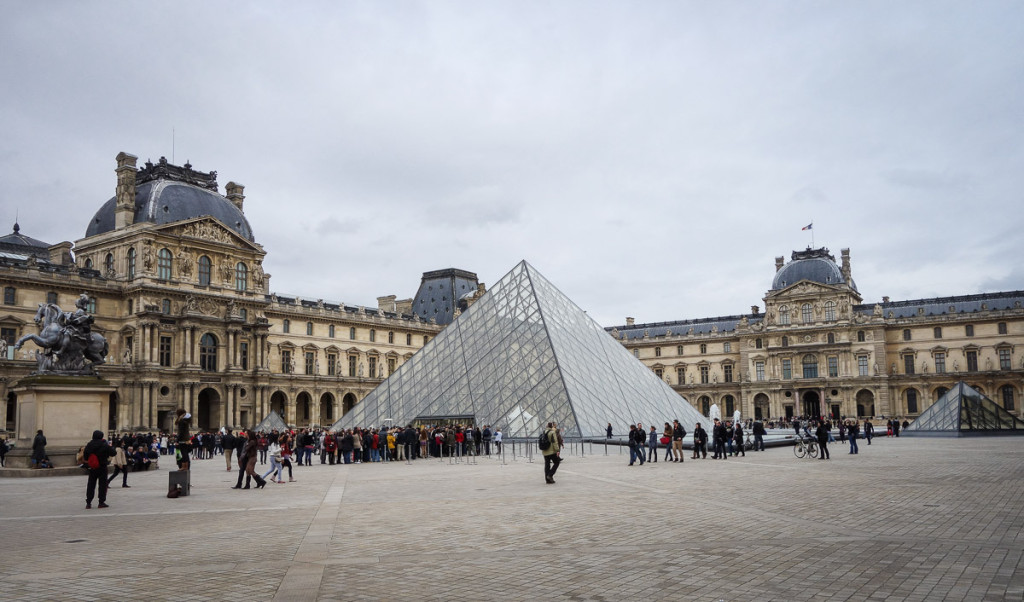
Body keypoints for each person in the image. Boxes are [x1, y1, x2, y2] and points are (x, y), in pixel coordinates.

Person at [83, 430, 115, 509]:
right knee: (102, 485)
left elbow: (85, 457)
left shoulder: (89, 445)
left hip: (93, 467)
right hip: (102, 466)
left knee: (91, 484)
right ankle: (101, 502)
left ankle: (88, 502)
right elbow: (113, 453)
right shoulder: (104, 444)